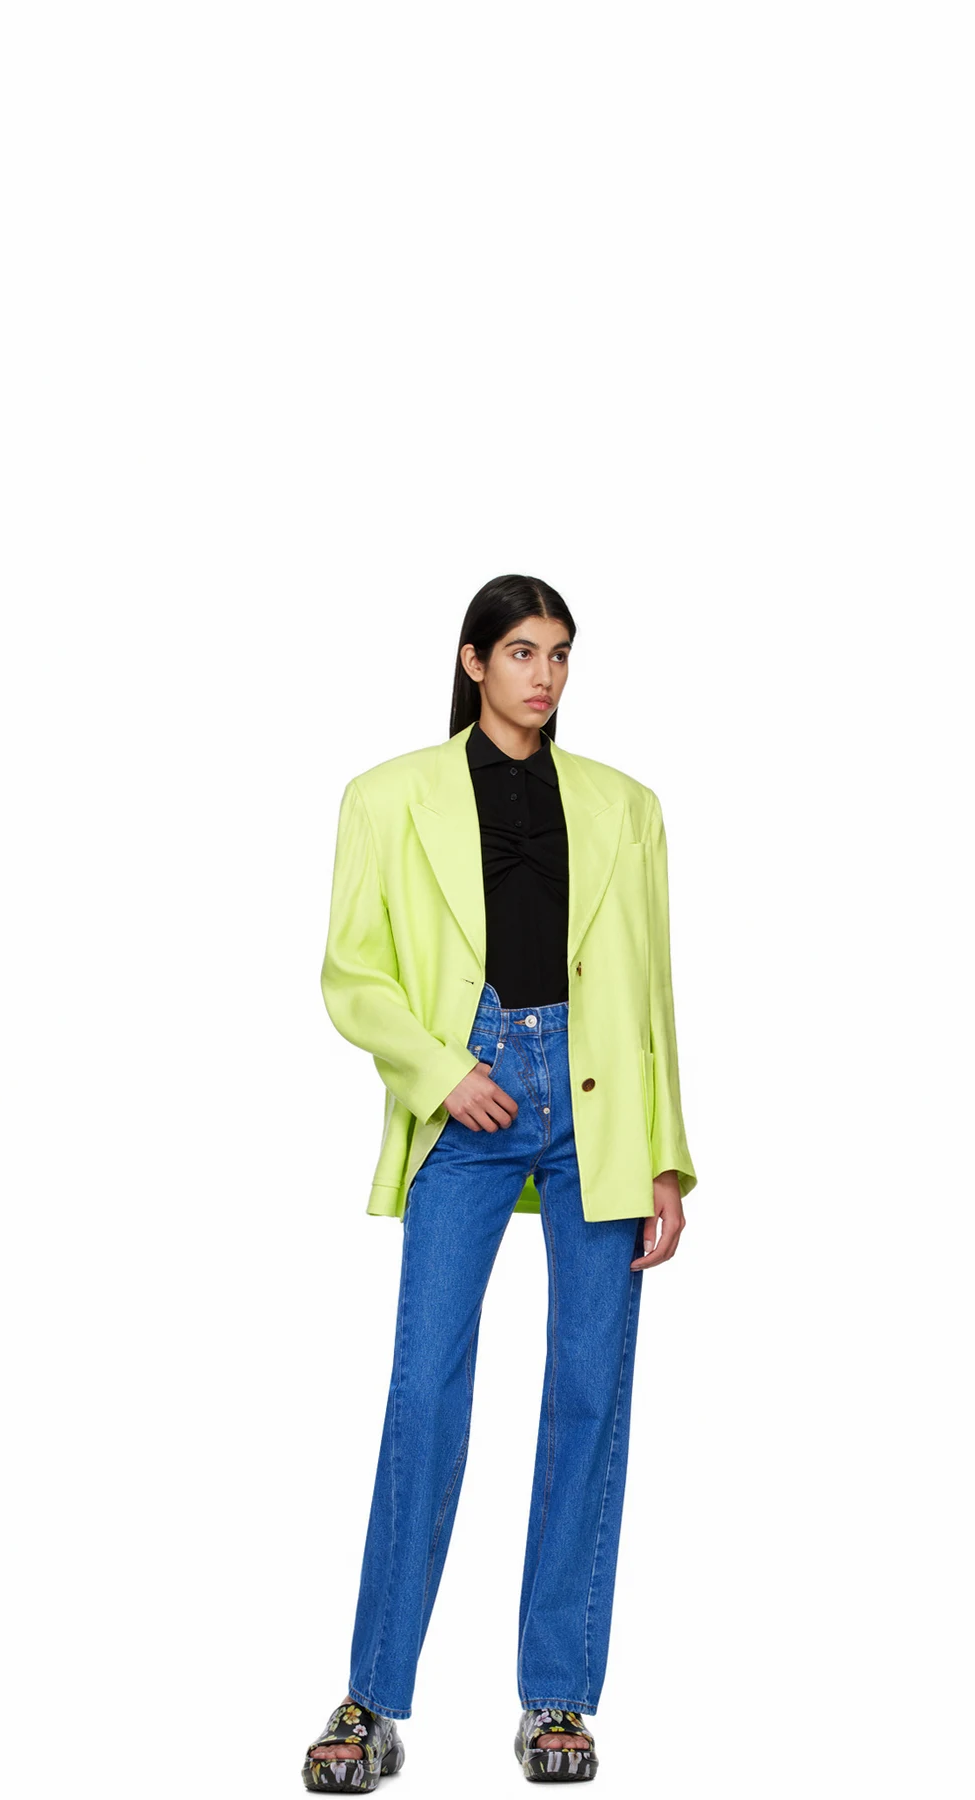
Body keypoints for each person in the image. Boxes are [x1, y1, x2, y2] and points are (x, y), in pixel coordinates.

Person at [302, 574, 696, 1789]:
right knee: (426, 1390)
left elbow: (653, 999)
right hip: (468, 1100)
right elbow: (352, 973)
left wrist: (667, 1157)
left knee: (589, 1394)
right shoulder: (386, 796)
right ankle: (372, 1699)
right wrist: (441, 1071)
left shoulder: (626, 807)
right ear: (474, 662)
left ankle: (558, 1697)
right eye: (521, 651)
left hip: (599, 1111)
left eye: (560, 654)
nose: (544, 675)